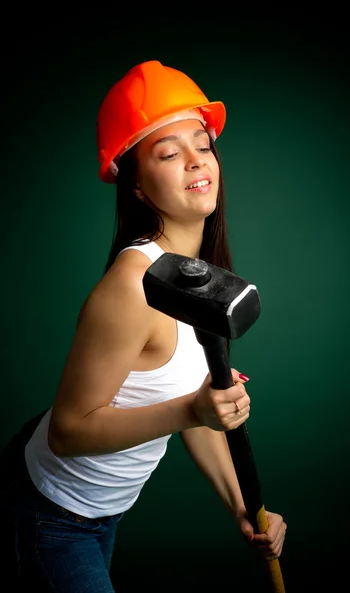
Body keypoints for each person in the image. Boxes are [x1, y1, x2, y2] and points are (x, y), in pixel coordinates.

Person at [1, 59, 287, 592]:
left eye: (202, 145)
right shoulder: (132, 287)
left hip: (101, 513)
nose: (196, 162)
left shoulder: (201, 277)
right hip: (50, 513)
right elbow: (68, 432)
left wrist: (243, 508)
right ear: (135, 184)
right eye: (168, 153)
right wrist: (192, 409)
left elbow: (192, 405)